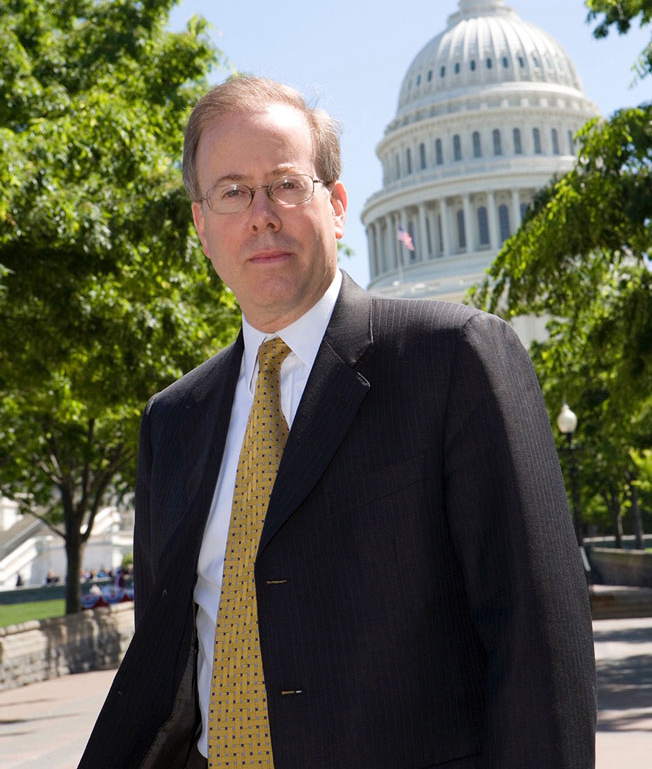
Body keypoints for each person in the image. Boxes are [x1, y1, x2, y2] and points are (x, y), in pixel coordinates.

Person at [80, 76, 596, 769]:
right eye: (232, 192)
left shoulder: (453, 359)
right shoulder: (172, 421)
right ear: (202, 228)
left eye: (286, 184)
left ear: (337, 206)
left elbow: (540, 643)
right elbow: (167, 654)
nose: (261, 214)